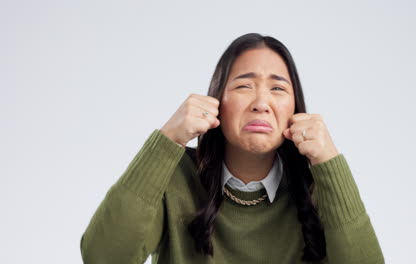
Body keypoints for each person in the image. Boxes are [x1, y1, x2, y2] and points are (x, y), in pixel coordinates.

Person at [80, 33, 385, 263]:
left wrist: (329, 161)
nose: (261, 104)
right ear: (216, 102)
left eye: (277, 88)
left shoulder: (318, 187)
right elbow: (102, 256)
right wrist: (168, 139)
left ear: (296, 108)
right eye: (244, 85)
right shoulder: (173, 176)